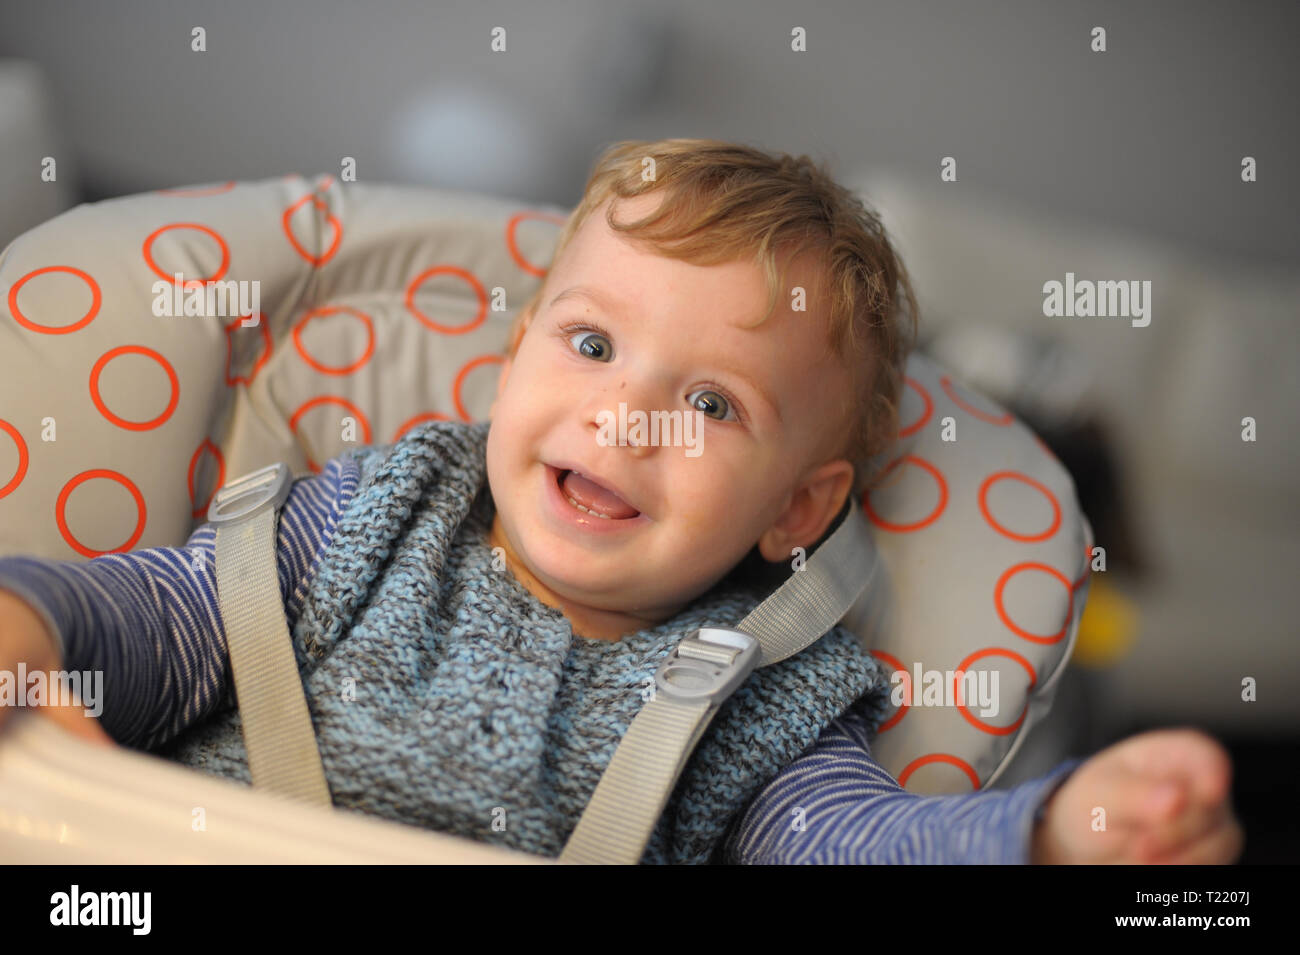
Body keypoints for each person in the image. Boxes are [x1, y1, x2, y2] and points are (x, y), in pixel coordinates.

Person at [0, 139, 1242, 864]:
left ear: (796, 509)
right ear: (513, 359)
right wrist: (29, 632)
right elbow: (137, 618)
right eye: (591, 349)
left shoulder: (766, 685)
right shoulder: (371, 519)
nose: (621, 418)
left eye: (711, 406)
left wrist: (1048, 831)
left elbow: (856, 844)